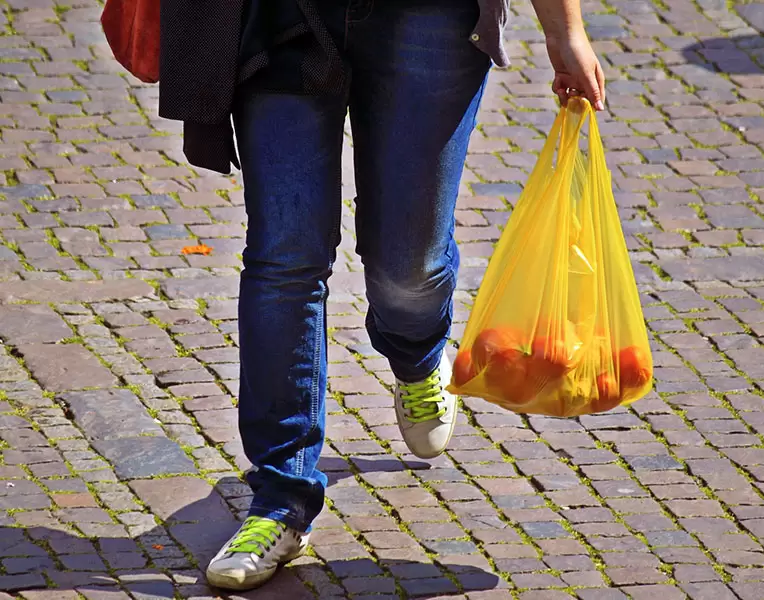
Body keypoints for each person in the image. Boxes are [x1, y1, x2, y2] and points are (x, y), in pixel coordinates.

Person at [158, 0, 605, 591]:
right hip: (279, 13)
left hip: (429, 17)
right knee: (284, 256)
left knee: (407, 265)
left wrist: (565, 29)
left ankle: (418, 352)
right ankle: (280, 500)